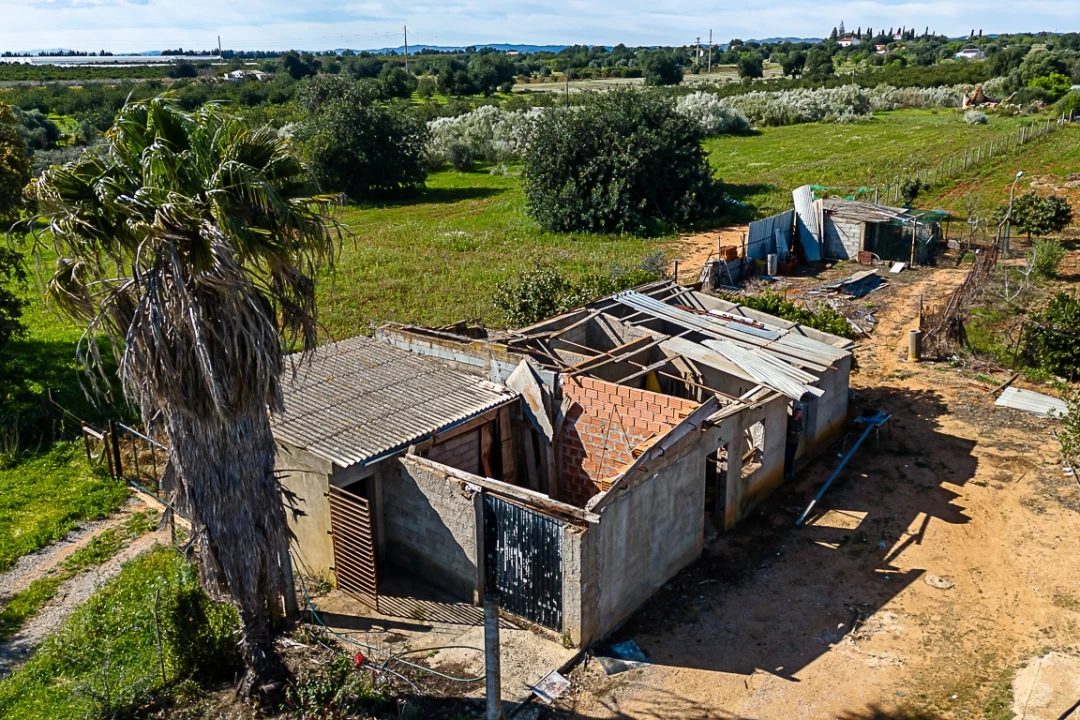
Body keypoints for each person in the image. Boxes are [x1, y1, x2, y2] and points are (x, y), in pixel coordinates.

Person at [785, 407, 803, 479]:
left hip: (796, 441)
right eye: (796, 412)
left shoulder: (800, 420)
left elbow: (801, 428)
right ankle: (786, 472)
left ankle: (790, 471)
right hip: (789, 441)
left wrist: (799, 432)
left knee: (792, 457)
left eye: (799, 413)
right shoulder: (789, 420)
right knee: (787, 457)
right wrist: (790, 431)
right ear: (794, 412)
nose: (797, 414)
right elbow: (785, 428)